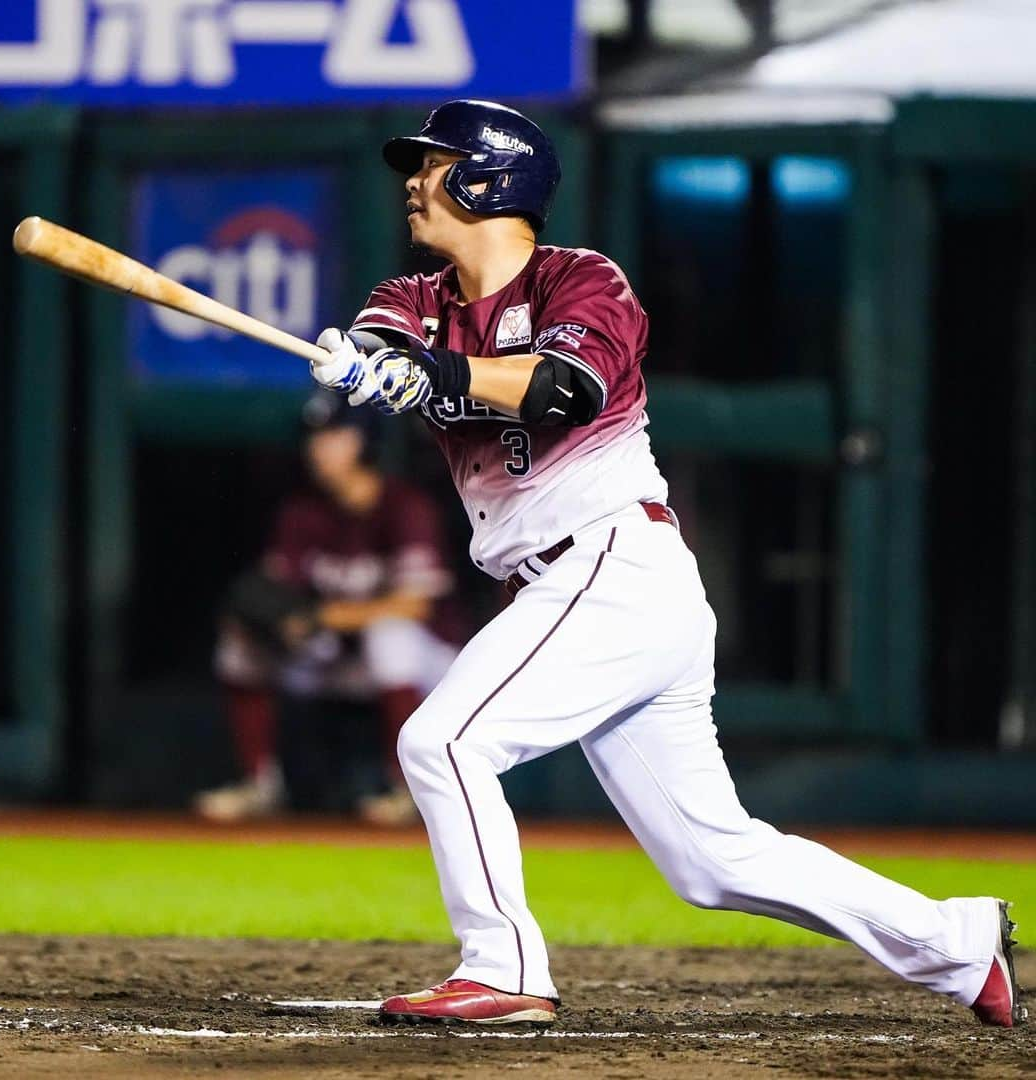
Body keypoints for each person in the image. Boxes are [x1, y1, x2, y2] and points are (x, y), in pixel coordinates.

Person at [308, 100, 1025, 1028]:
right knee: (712, 860)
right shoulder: (417, 297)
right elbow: (383, 338)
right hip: (575, 589)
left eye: (436, 162)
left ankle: (504, 965)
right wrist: (369, 363)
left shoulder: (584, 282)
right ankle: (956, 942)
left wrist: (437, 376)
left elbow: (564, 389)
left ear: (492, 178)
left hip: (614, 566)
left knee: (442, 740)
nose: (413, 180)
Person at [195, 392, 460, 826]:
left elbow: (413, 605)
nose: (317, 448)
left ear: (361, 441)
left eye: (332, 435)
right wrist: (269, 620)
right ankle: (260, 784)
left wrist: (319, 617)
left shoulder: (404, 506)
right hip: (338, 658)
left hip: (431, 666)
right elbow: (274, 596)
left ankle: (406, 790)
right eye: (314, 438)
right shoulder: (302, 513)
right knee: (239, 646)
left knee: (390, 636)